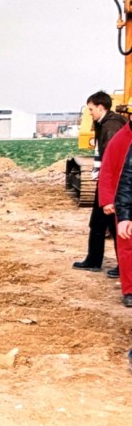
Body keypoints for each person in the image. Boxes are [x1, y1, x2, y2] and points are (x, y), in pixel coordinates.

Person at [73, 91, 125, 273]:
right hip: (106, 182)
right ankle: (94, 260)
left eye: (91, 109)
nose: (90, 113)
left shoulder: (111, 127)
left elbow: (113, 159)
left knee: (114, 224)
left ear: (101, 107)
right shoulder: (104, 123)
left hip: (112, 184)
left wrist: (109, 188)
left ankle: (120, 265)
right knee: (98, 223)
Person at [98, 114, 132, 306]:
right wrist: (108, 200)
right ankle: (129, 290)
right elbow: (109, 170)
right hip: (126, 203)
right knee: (127, 248)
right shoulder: (120, 139)